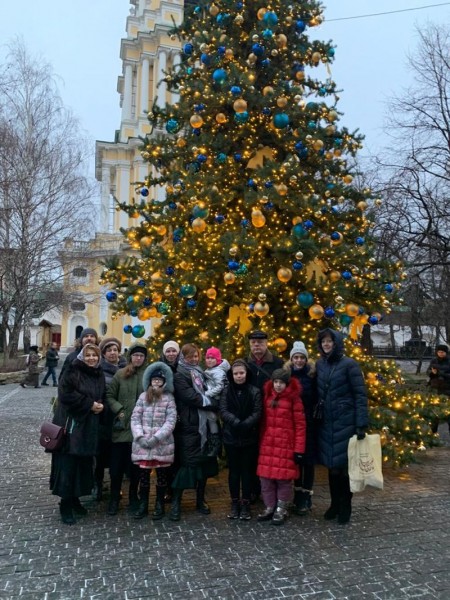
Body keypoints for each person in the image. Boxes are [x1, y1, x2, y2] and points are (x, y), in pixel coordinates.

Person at [315, 328, 368, 524]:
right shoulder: (320, 364)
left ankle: (346, 505)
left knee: (342, 468)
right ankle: (334, 503)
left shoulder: (349, 365)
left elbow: (360, 395)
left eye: (330, 341)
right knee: (331, 466)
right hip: (326, 423)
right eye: (323, 342)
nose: (326, 345)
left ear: (336, 342)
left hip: (345, 422)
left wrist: (361, 423)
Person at [49, 343, 105, 525]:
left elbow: (100, 395)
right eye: (88, 355)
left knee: (82, 465)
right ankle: (65, 503)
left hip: (87, 427)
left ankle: (75, 499)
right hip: (70, 426)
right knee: (68, 465)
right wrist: (89, 404)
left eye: (94, 355)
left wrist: (99, 405)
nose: (91, 358)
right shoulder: (73, 370)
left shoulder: (98, 373)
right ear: (82, 356)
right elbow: (65, 395)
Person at [171, 343, 219, 521]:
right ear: (183, 357)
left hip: (206, 425)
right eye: (190, 356)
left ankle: (200, 499)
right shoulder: (180, 374)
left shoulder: (201, 373)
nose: (194, 359)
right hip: (190, 425)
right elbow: (190, 397)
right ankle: (177, 501)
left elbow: (213, 390)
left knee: (204, 464)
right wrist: (212, 402)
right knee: (187, 465)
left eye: (196, 355)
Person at [256, 368, 306, 526]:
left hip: (286, 445)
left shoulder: (294, 400)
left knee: (283, 480)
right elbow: (263, 422)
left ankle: (281, 508)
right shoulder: (267, 397)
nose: (278, 385)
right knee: (266, 479)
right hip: (268, 445)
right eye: (276, 382)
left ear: (287, 383)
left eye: (281, 383)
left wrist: (299, 449)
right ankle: (270, 506)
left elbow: (300, 425)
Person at [130, 362, 177, 520]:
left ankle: (159, 504)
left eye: (159, 380)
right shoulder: (143, 397)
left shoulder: (169, 398)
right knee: (143, 476)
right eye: (154, 380)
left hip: (161, 445)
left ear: (164, 382)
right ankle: (143, 504)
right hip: (143, 444)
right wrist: (139, 436)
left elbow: (170, 421)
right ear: (149, 381)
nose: (156, 383)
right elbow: (135, 417)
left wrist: (157, 437)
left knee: (162, 476)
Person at [106, 342, 148, 516]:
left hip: (140, 431)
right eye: (136, 355)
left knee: (136, 468)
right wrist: (119, 410)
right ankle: (114, 498)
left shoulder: (148, 375)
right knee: (116, 468)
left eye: (141, 356)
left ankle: (133, 496)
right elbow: (109, 396)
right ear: (131, 356)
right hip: (121, 429)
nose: (138, 358)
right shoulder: (121, 374)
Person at [219, 359, 262, 521]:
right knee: (234, 472)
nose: (239, 376)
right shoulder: (227, 391)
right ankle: (235, 502)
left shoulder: (254, 391)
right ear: (232, 375)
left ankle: (246, 503)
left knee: (247, 472)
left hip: (249, 437)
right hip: (232, 437)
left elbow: (257, 411)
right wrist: (236, 422)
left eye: (241, 373)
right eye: (236, 373)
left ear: (246, 374)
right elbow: (223, 409)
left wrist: (246, 424)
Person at [285, 341, 317, 515]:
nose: (298, 361)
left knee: (308, 462)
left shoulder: (312, 375)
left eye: (301, 357)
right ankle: (297, 495)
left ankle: (307, 496)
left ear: (306, 359)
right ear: (291, 359)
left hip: (309, 423)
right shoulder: (287, 376)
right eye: (295, 357)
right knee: (296, 461)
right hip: (292, 423)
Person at [93, 337, 126, 501]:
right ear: (104, 354)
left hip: (121, 418)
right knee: (100, 456)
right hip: (104, 418)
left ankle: (116, 487)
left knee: (117, 457)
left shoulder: (126, 369)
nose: (113, 353)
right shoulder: (98, 370)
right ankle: (98, 484)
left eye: (115, 350)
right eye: (109, 350)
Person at [158, 339, 181, 503]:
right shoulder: (159, 369)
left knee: (178, 455)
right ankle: (166, 488)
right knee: (165, 455)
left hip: (181, 415)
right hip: (163, 415)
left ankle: (176, 488)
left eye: (174, 351)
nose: (171, 354)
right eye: (168, 351)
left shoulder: (184, 367)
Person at [427, 344, 450, 433]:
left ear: (446, 353)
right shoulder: (433, 361)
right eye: (439, 352)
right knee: (434, 414)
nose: (440, 353)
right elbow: (428, 372)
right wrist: (432, 373)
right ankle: (433, 435)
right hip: (435, 389)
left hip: (447, 389)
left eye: (442, 352)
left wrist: (441, 374)